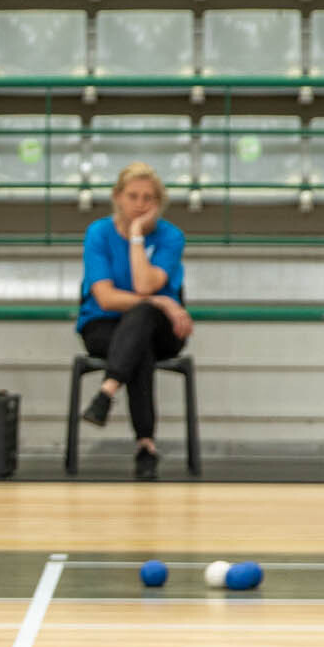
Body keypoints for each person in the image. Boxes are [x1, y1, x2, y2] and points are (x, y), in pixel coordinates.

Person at [76, 162, 192, 481]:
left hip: (163, 330)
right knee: (138, 343)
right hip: (104, 325)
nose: (140, 204)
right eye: (132, 196)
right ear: (117, 197)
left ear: (159, 203)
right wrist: (161, 300)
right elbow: (105, 298)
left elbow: (144, 284)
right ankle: (146, 447)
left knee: (142, 317)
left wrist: (137, 236)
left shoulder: (171, 237)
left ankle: (107, 390)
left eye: (148, 198)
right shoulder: (98, 233)